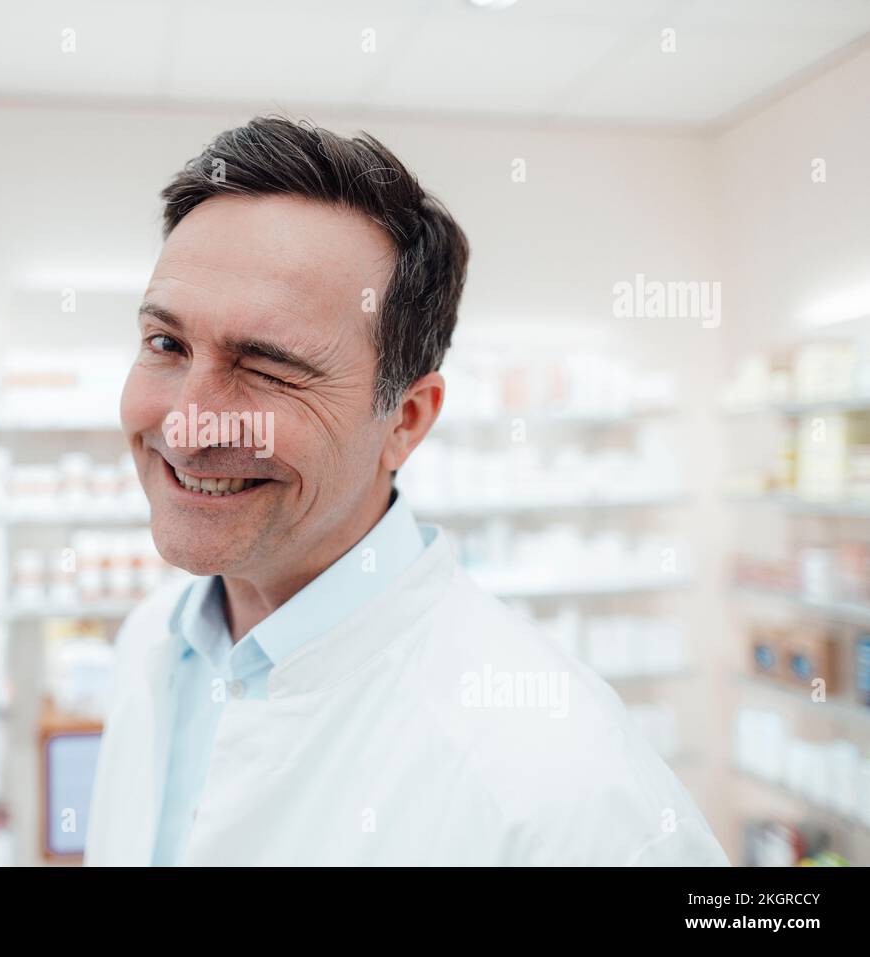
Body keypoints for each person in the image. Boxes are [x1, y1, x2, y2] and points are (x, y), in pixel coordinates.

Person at [85, 116, 727, 866]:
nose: (187, 429)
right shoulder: (154, 646)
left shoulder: (572, 795)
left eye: (267, 368)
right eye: (167, 344)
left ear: (406, 420)